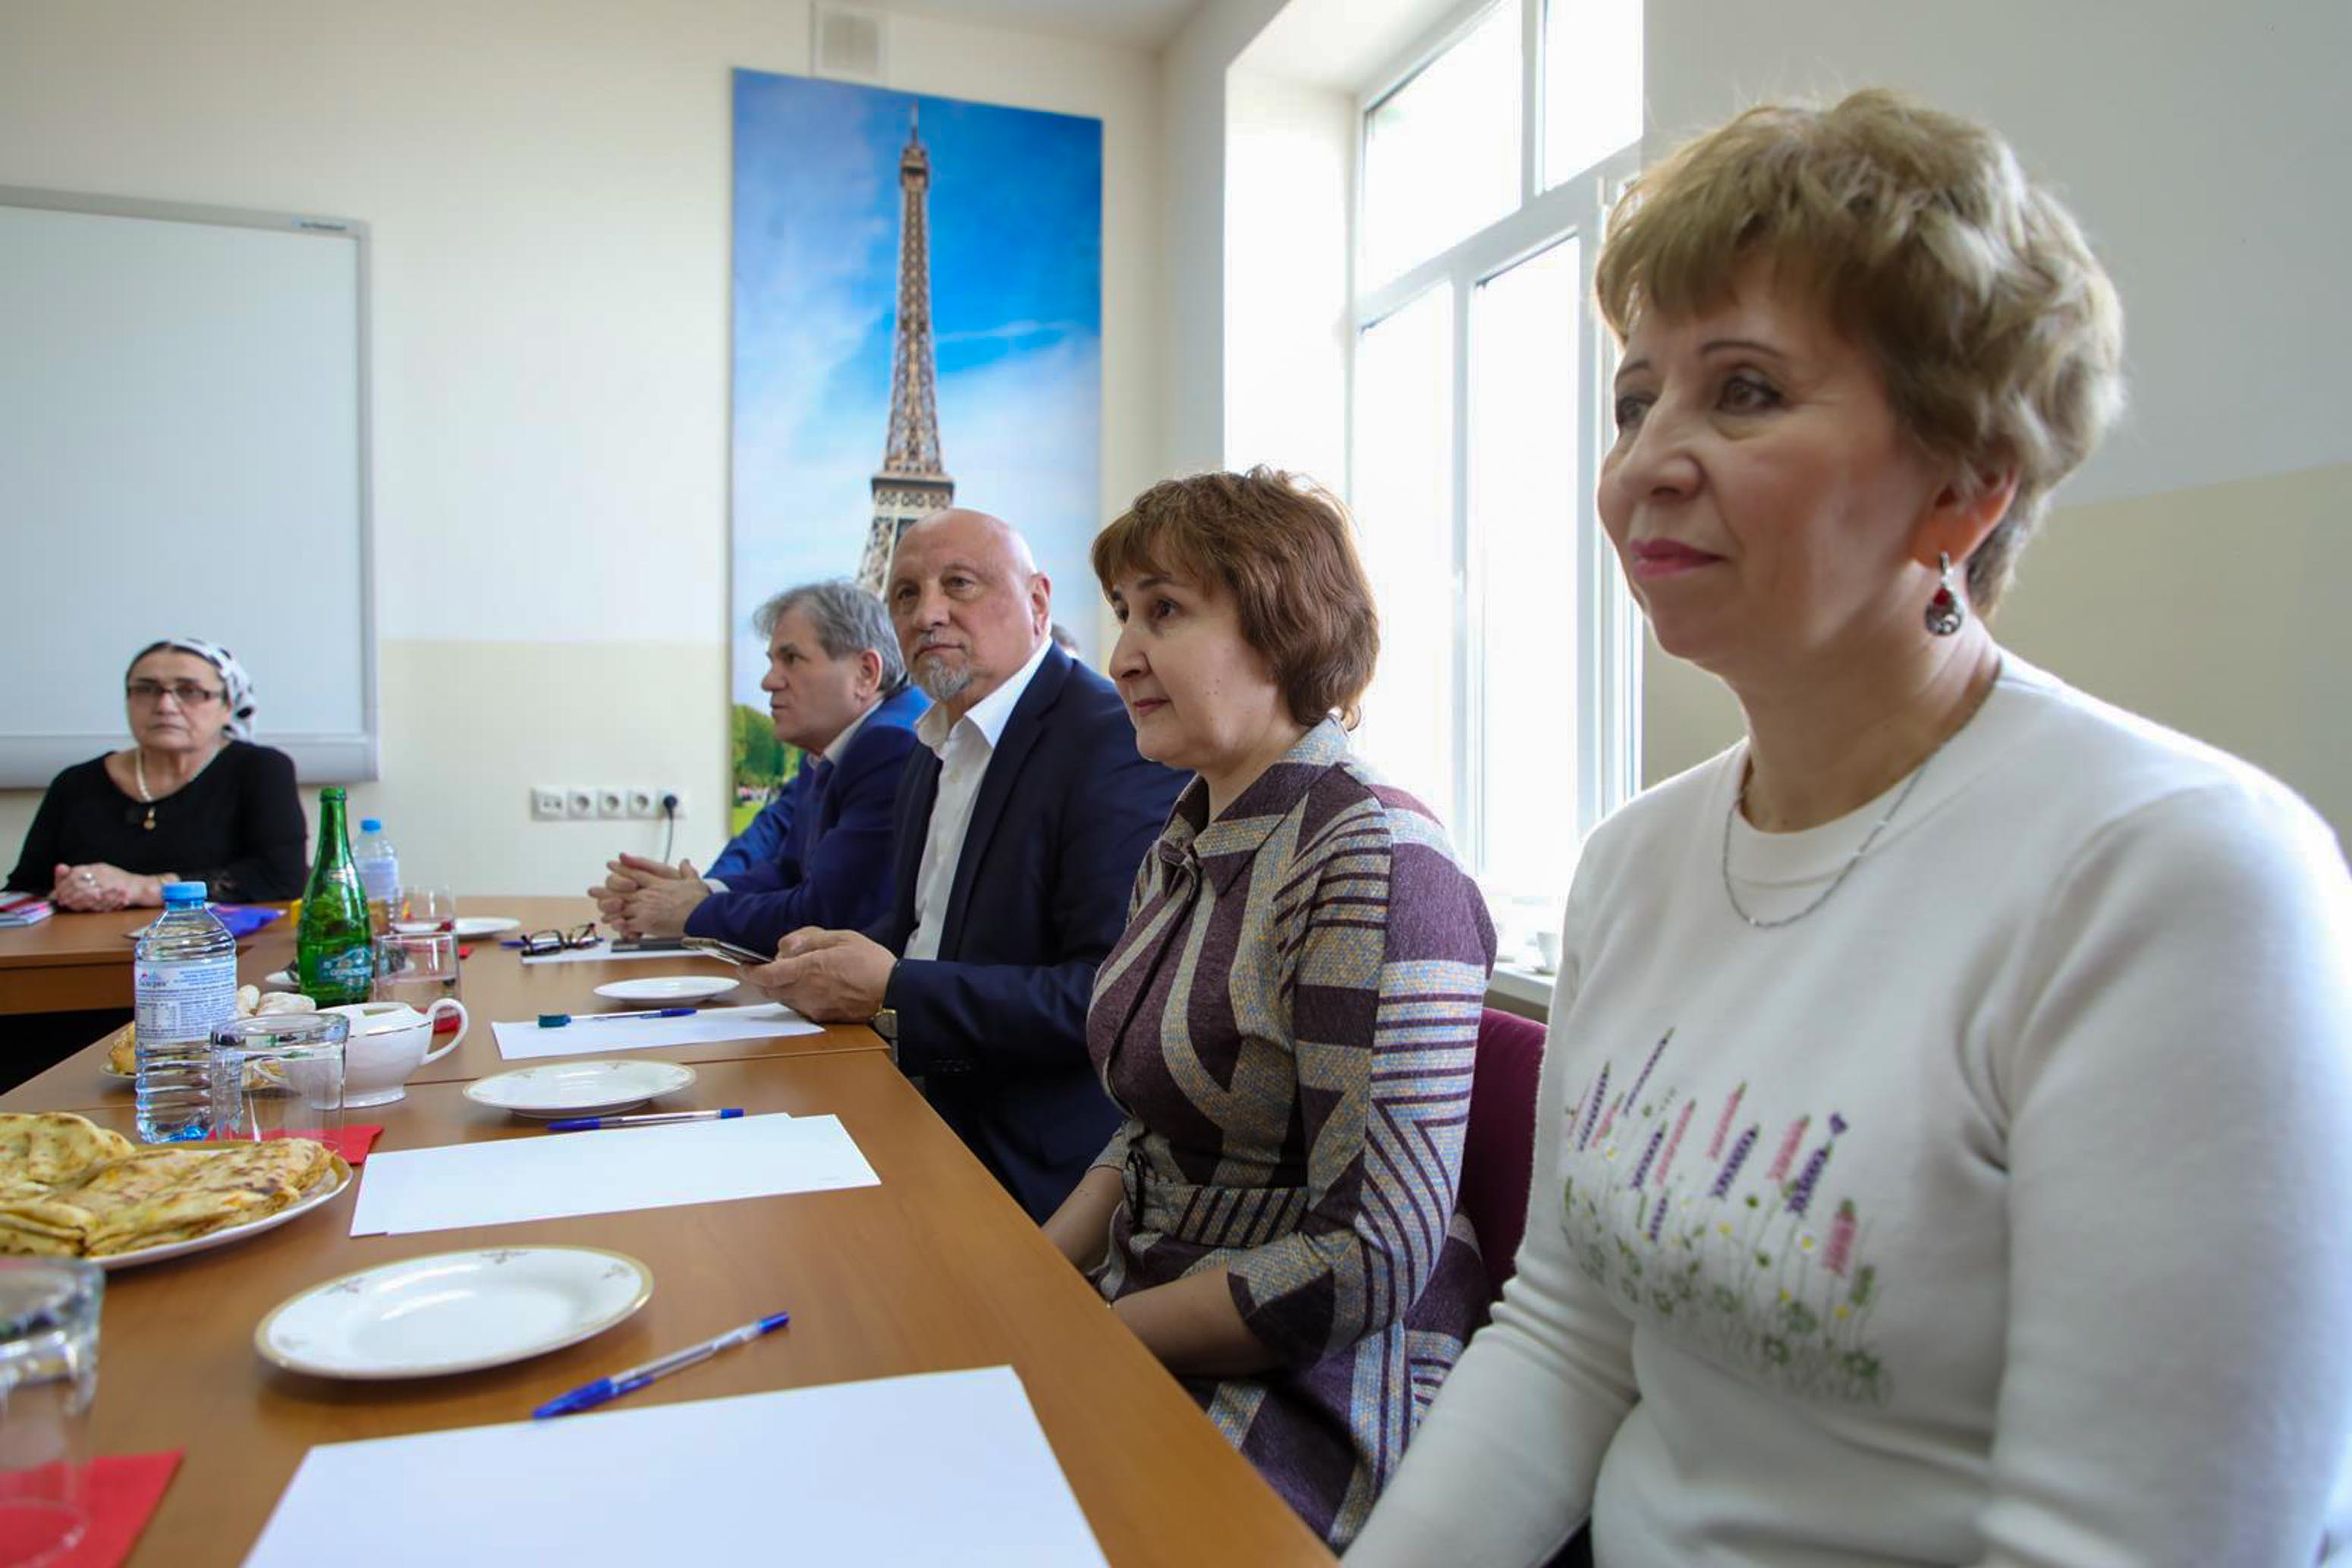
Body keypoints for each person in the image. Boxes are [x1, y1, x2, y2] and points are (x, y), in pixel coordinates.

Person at [1349, 90, 2352, 1566]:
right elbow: (1566, 1335)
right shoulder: (1636, 863)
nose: (1644, 462)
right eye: (1634, 401)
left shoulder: (2176, 873)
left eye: (1745, 391)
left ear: (1963, 480)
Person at [1046, 469, 1496, 1548]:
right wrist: (1032, 1282)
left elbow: (1371, 1254)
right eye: (1123, 614)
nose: (1120, 656)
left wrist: (1088, 1336)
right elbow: (1149, 1128)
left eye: (1165, 610)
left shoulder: (1372, 857)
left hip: (1315, 1373)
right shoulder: (1186, 838)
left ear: (1283, 625)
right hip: (1157, 1297)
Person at [747, 509, 1187, 1220]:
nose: (928, 614)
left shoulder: (1109, 739)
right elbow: (924, 930)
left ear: (1038, 602)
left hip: (1030, 1168)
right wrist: (826, 955)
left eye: (959, 584)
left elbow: (1105, 998)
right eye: (906, 594)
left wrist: (890, 987)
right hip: (906, 1104)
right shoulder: (932, 745)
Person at [592, 582, 924, 951]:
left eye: (791, 659)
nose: (768, 682)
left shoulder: (889, 745)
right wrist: (699, 892)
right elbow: (791, 870)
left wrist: (692, 911)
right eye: (771, 662)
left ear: (865, 672)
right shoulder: (834, 743)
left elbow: (828, 916)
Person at [8, 638, 306, 907]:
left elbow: (282, 876)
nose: (165, 706)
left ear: (227, 706)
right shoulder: (76, 783)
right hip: (82, 946)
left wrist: (145, 888)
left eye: (189, 691)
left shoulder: (260, 769)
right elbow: (26, 888)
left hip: (217, 945)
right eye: (146, 690)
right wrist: (70, 890)